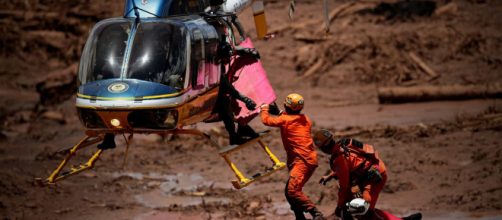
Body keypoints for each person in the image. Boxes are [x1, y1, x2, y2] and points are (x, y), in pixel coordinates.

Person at [313, 129, 422, 220]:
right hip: (370, 172)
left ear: (323, 148)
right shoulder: (346, 142)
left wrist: (339, 206)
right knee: (355, 205)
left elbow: (344, 186)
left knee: (362, 210)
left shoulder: (338, 159)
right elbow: (362, 157)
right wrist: (331, 175)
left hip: (371, 178)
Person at [260, 93, 324, 220]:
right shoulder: (305, 119)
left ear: (286, 105)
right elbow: (289, 119)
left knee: (292, 191)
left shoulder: (285, 120)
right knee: (289, 193)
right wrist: (279, 112)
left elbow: (266, 120)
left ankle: (316, 213)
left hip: (302, 161)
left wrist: (264, 108)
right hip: (305, 159)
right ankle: (299, 216)